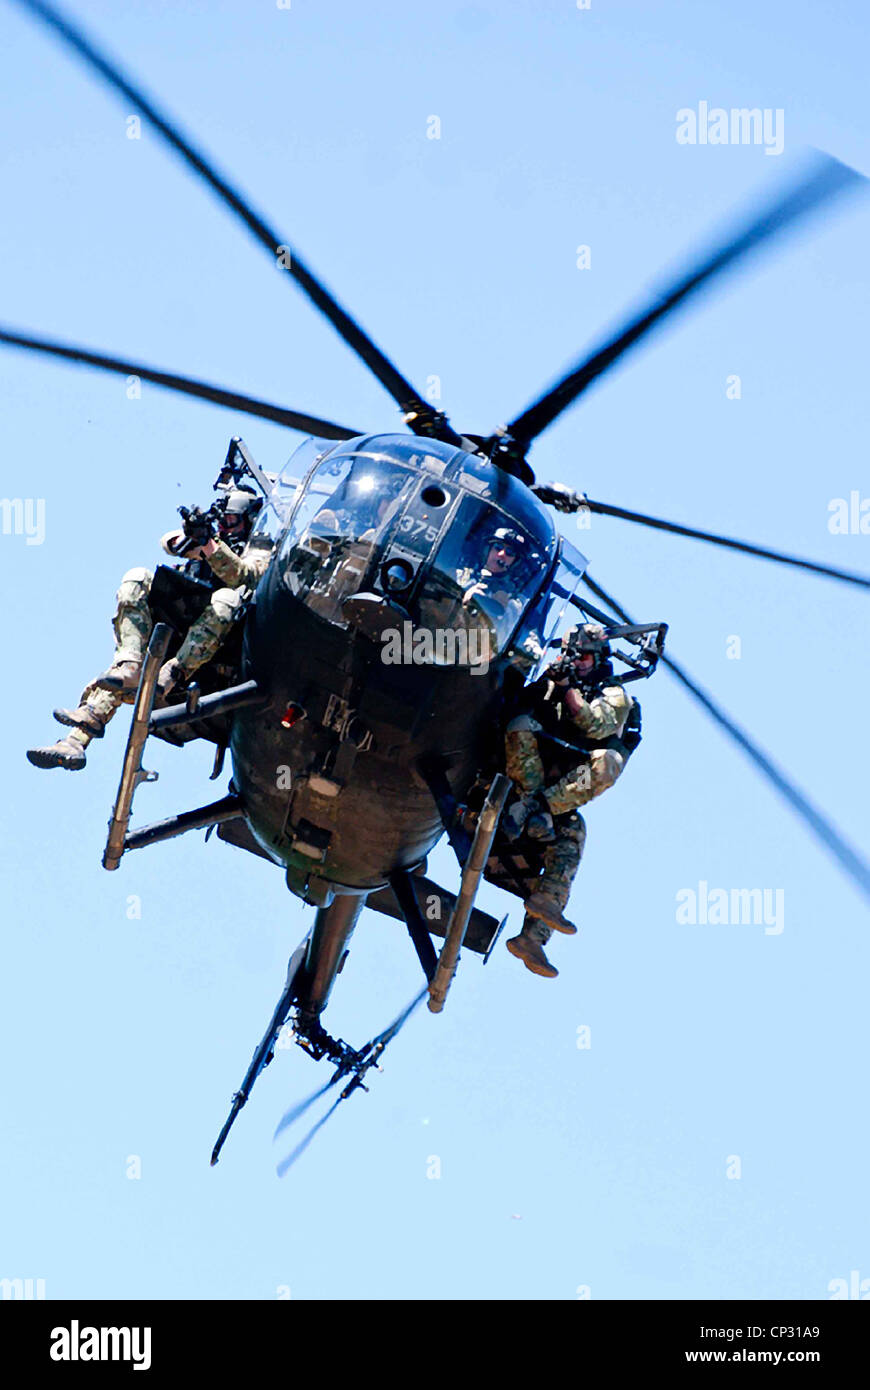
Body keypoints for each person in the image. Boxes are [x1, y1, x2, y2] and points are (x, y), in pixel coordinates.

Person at [26, 489, 270, 772]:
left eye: (232, 521)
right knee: (137, 578)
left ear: (249, 520)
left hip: (216, 649)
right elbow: (170, 542)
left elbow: (244, 575)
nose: (226, 527)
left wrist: (209, 544)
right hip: (181, 628)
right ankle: (78, 736)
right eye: (223, 521)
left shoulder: (260, 549)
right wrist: (195, 537)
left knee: (225, 598)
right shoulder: (207, 544)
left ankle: (170, 675)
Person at [502, 623, 639, 978]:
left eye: (586, 658)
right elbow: (516, 707)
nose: (578, 664)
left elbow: (597, 727)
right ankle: (531, 804)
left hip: (557, 798)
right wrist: (549, 682)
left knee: (574, 831)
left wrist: (568, 692)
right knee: (519, 722)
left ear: (599, 660)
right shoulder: (554, 678)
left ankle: (534, 936)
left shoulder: (615, 695)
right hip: (520, 780)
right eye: (573, 657)